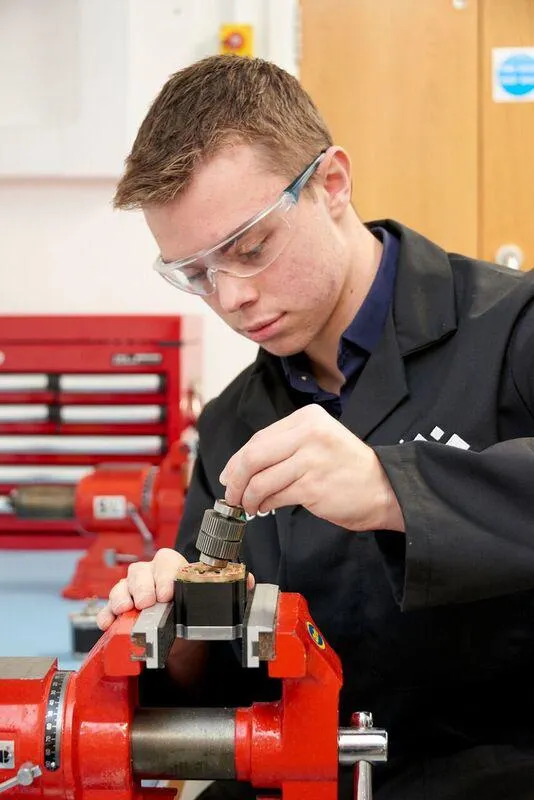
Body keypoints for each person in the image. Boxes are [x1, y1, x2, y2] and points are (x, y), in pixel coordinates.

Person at [97, 54, 534, 799]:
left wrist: (397, 489)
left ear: (332, 184)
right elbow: (219, 699)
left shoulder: (510, 329)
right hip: (304, 775)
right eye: (196, 273)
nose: (231, 297)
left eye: (249, 248)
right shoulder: (234, 422)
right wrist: (176, 630)